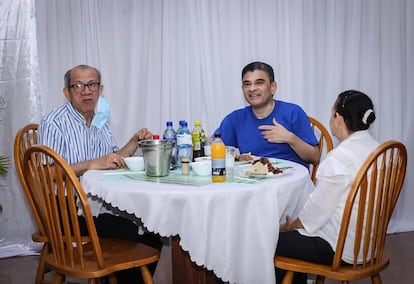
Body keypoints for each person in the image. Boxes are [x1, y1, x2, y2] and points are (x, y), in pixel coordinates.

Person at [38, 64, 162, 284]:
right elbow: (46, 173)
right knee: (138, 233)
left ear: (100, 89)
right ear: (66, 92)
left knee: (153, 227)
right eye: (78, 85)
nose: (86, 91)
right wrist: (91, 164)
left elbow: (111, 161)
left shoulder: (99, 118)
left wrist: (134, 142)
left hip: (95, 203)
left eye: (92, 84)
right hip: (66, 210)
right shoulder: (54, 122)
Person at [275, 90, 378, 283]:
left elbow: (315, 213)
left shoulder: (338, 159)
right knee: (292, 237)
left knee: (271, 240)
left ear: (338, 118)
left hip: (341, 249)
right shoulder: (379, 150)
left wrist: (291, 226)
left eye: (332, 113)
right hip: (370, 245)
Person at [215, 61, 320, 168]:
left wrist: (290, 138)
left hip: (290, 180)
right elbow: (214, 146)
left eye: (259, 83)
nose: (252, 89)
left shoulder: (293, 113)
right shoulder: (235, 119)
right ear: (242, 89)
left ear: (272, 87)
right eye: (247, 84)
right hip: (252, 180)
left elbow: (315, 157)